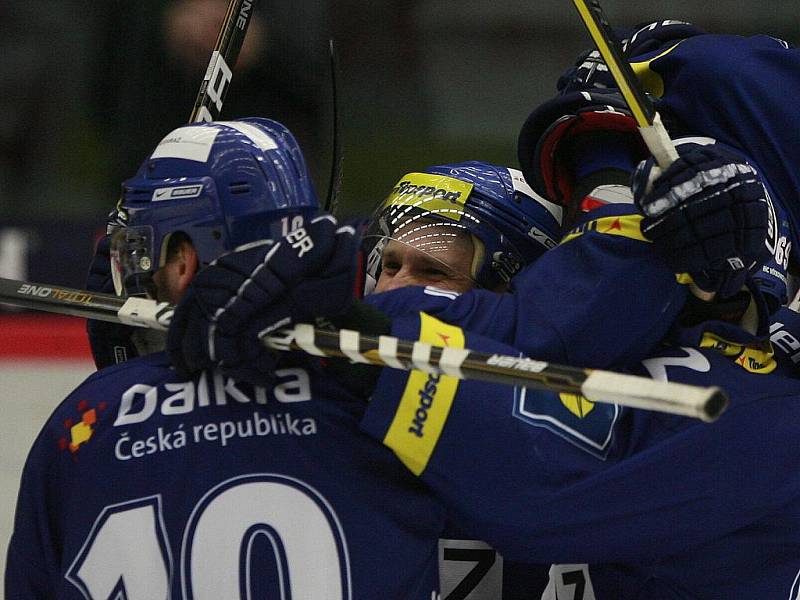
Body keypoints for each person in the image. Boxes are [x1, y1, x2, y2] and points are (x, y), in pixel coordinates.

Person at [5, 118, 457, 599]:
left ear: (183, 262)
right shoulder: (382, 396)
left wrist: (122, 371)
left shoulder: (87, 419)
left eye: (139, 253)